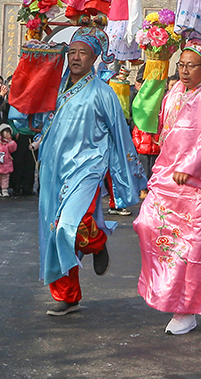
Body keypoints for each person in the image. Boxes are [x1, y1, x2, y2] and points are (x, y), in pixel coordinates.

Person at [39, 27, 144, 317]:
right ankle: (67, 295)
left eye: (82, 53)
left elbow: (120, 135)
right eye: (71, 52)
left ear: (95, 58)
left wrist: (128, 180)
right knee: (54, 233)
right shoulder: (55, 88)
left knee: (67, 226)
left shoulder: (103, 93)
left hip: (86, 169)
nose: (75, 57)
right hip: (53, 170)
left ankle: (97, 243)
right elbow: (36, 120)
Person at [134, 44, 201, 333]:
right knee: (148, 224)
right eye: (181, 64)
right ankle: (161, 290)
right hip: (168, 177)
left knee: (193, 245)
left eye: (191, 65)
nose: (184, 70)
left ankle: (186, 310)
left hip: (200, 183)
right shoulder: (174, 92)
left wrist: (189, 166)